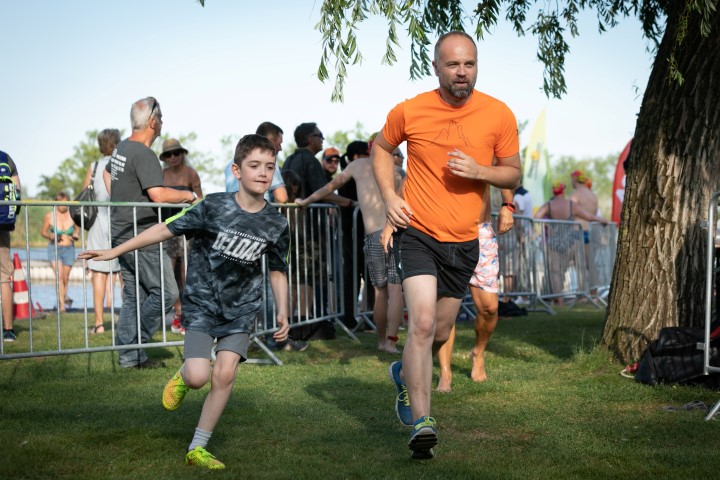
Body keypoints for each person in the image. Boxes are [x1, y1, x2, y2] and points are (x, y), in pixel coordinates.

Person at [80, 134, 290, 470]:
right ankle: (183, 376)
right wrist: (115, 250)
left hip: (242, 310)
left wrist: (282, 311)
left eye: (269, 166)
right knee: (197, 377)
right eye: (254, 166)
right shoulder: (213, 206)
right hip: (203, 304)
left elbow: (278, 271)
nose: (263, 173)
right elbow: (165, 229)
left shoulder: (277, 223)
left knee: (224, 375)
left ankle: (198, 447)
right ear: (237, 170)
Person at [372, 31, 521, 459]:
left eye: (469, 64)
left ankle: (403, 371)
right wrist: (390, 198)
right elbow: (380, 148)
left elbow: (511, 173)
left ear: (477, 66)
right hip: (418, 232)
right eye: (453, 64)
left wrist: (480, 170)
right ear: (435, 66)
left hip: (465, 240)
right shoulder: (411, 109)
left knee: (438, 331)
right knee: (419, 323)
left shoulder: (498, 114)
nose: (461, 72)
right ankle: (422, 422)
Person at [104, 96, 195, 369]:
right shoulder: (144, 154)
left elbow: (107, 175)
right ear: (153, 121)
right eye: (162, 117)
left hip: (121, 231)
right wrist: (188, 195)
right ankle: (134, 345)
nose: (163, 122)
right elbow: (157, 194)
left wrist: (121, 202)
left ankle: (130, 357)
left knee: (135, 295)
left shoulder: (122, 147)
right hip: (141, 234)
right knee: (167, 292)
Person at [297, 143, 403, 353]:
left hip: (375, 235)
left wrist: (306, 200)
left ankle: (382, 341)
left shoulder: (358, 165)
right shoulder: (397, 170)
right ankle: (392, 342)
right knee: (395, 289)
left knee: (380, 292)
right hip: (398, 232)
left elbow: (329, 187)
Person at [435, 187, 514, 391]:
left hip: (481, 233)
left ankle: (478, 352)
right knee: (446, 309)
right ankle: (445, 372)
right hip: (445, 232)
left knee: (490, 309)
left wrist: (508, 205)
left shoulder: (484, 153)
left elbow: (506, 171)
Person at [159, 138, 204, 336]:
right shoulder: (160, 175)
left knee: (186, 273)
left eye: (177, 153)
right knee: (170, 273)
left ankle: (187, 314)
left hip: (186, 230)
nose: (173, 157)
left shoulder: (191, 173)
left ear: (182, 154)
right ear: (164, 158)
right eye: (169, 154)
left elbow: (200, 200)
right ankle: (178, 312)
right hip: (167, 229)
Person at [533, 182, 606, 300]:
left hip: (554, 241)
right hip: (571, 240)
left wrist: (549, 225)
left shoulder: (549, 205)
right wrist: (602, 220)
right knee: (580, 267)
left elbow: (536, 218)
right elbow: (589, 217)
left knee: (556, 270)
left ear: (553, 191)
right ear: (563, 191)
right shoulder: (571, 205)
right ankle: (582, 295)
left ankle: (559, 299)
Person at [82, 129, 122, 333]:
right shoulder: (120, 164)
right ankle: (126, 319)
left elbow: (84, 194)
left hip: (98, 221)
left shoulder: (94, 166)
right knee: (123, 273)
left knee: (98, 274)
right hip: (119, 220)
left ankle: (99, 324)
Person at [225, 122, 288, 204]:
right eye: (279, 143)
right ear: (271, 140)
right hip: (259, 213)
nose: (280, 148)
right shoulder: (267, 162)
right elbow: (282, 198)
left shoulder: (230, 164)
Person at [40, 191, 79, 313]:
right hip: (55, 248)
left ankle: (63, 297)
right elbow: (43, 232)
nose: (63, 206)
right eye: (60, 203)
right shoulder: (49, 216)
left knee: (66, 277)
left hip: (69, 249)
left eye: (65, 203)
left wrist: (76, 235)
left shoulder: (73, 215)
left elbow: (77, 229)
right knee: (59, 276)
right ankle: (62, 305)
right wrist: (50, 235)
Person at [0, 151, 21, 342]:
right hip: (2, 226)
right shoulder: (5, 158)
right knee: (4, 277)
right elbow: (17, 193)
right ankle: (8, 330)